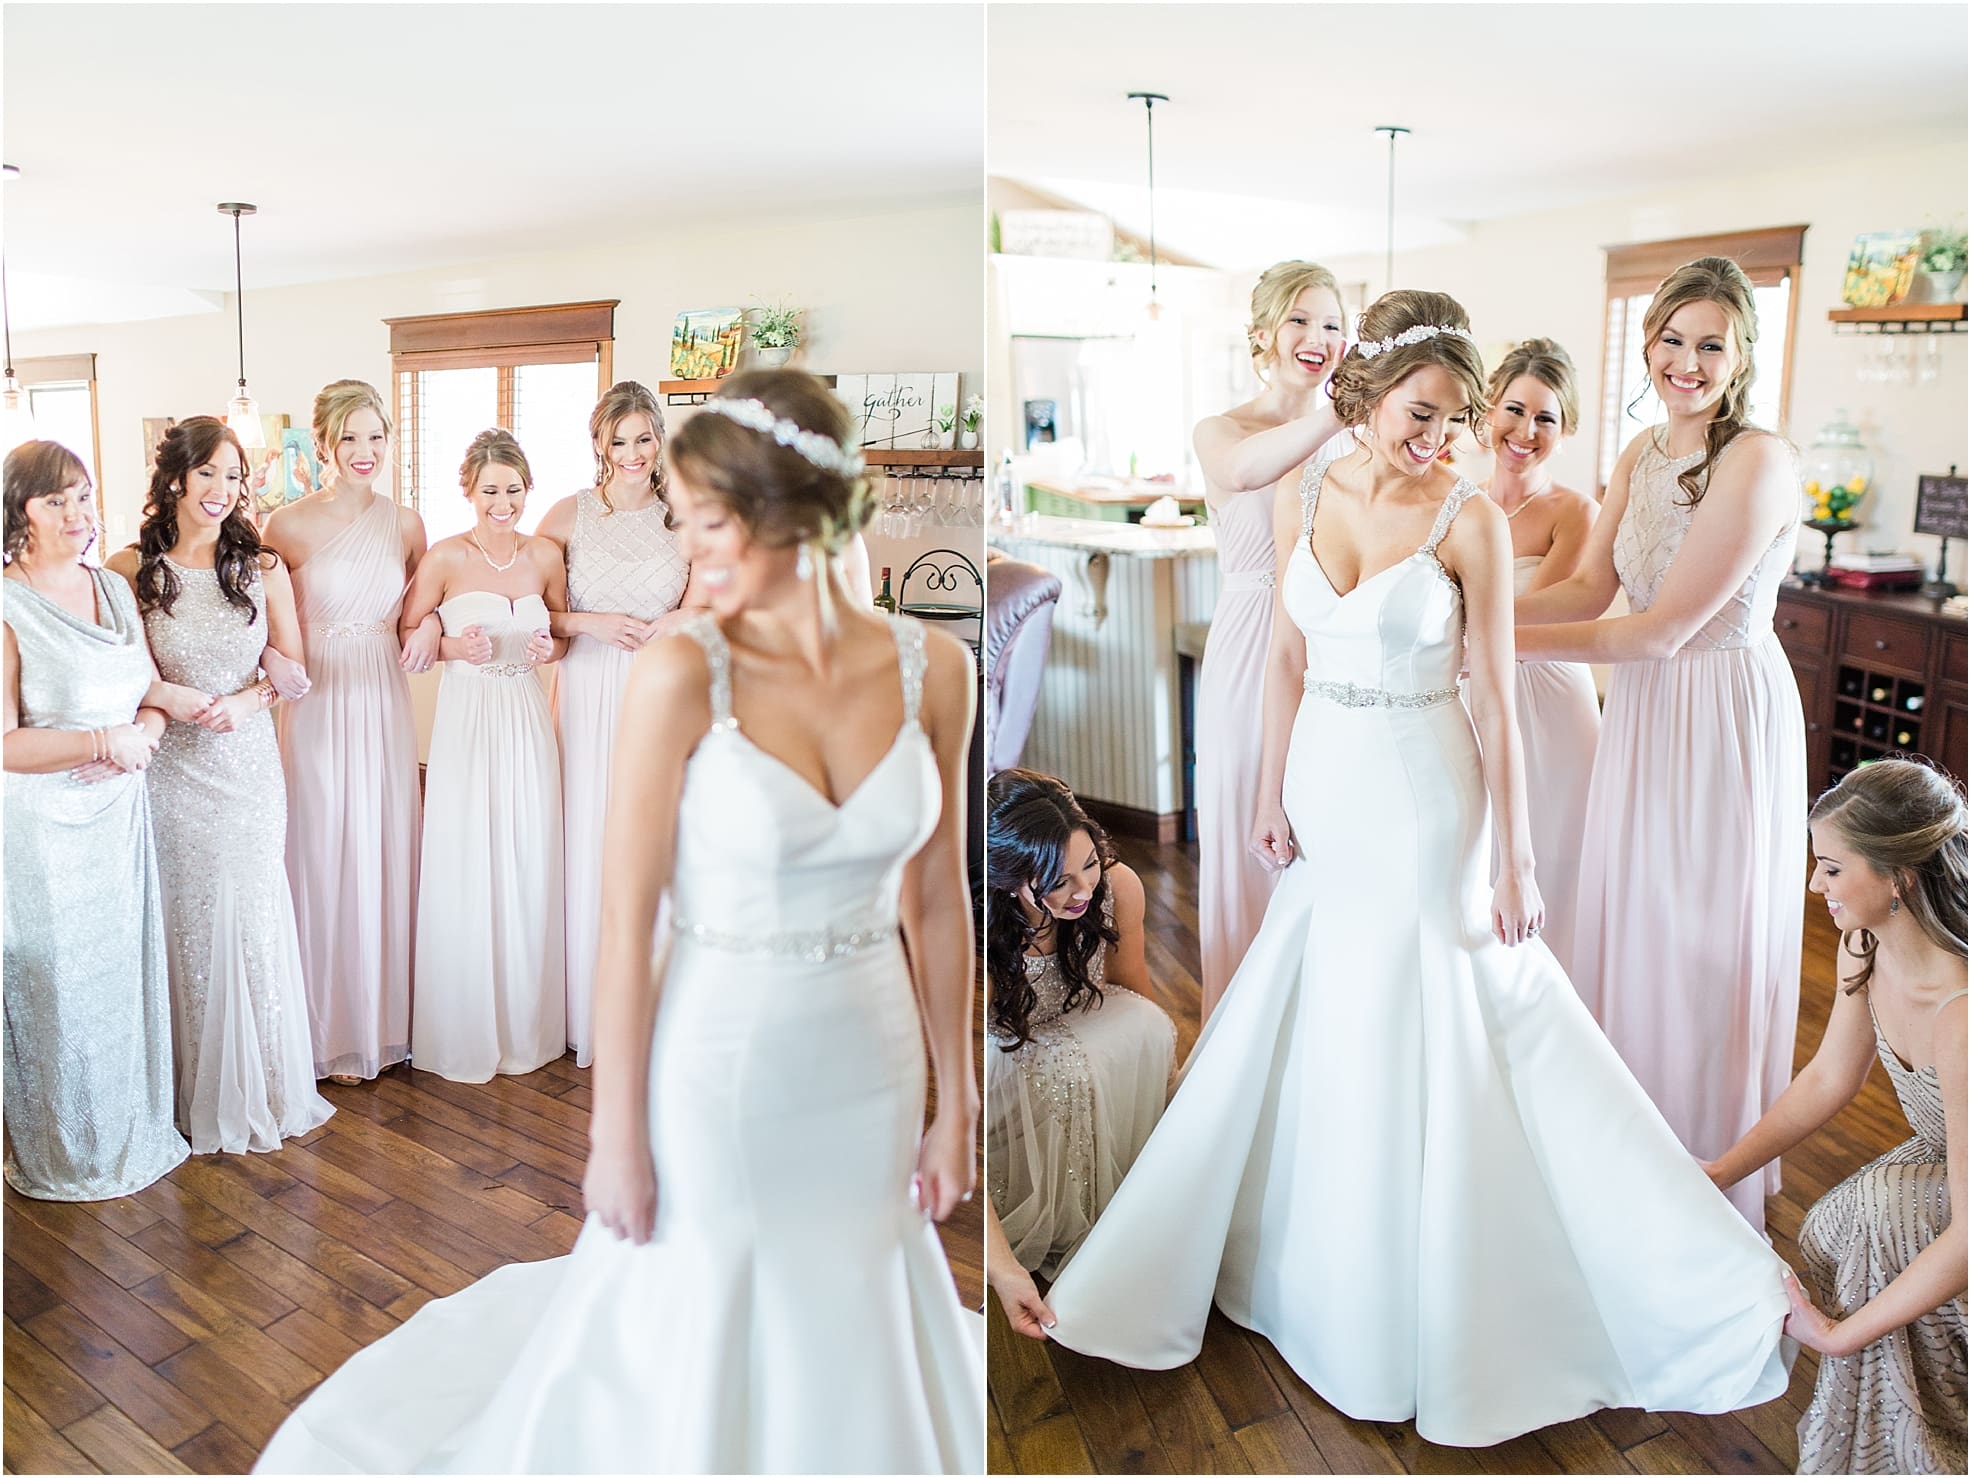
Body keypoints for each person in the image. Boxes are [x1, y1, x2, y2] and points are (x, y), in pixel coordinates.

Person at [1039, 291, 1792, 1448]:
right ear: (1369, 398)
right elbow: (1289, 650)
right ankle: (1302, 1261)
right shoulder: (1308, 487)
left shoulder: (1468, 522)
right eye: (1419, 413)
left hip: (1430, 795)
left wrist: (1517, 860)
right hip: (1328, 788)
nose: (1437, 439)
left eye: (1455, 420)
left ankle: (1448, 1291)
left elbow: (1497, 694)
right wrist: (1269, 788)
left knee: (1428, 1012)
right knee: (1321, 1005)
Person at [256, 370, 983, 1474]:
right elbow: (623, 914)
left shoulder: (940, 670)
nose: (691, 556)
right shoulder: (687, 672)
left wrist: (957, 1100)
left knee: (852, 1297)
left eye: (703, 526)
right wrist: (616, 1134)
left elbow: (937, 897)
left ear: (785, 512)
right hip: (720, 1052)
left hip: (869, 1056)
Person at [1515, 257, 1806, 1230]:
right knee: (1633, 922)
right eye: (1672, 339)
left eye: (1710, 343)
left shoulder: (1757, 460)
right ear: (1646, 347)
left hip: (1718, 714)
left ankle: (1703, 1180)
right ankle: (1626, 1159)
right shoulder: (1641, 451)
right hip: (1643, 717)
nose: (1687, 360)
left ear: (1742, 355)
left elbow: (1662, 629)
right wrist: (1470, 598)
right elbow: (1591, 593)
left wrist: (1487, 637)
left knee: (1697, 940)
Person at [1704, 760, 1966, 1475]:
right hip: (1952, 1161)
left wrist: (1841, 1335)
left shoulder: (1961, 1016)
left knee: (1883, 1221)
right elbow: (1827, 1078)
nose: (1814, 886)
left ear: (1897, 878)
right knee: (1835, 1227)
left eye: (1829, 868)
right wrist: (1721, 1170)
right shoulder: (1866, 942)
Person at [105, 417, 332, 1153]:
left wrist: (243, 701)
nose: (223, 490)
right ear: (175, 477)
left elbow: (290, 670)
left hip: (247, 768)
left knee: (250, 915)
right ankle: (182, 1090)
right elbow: (126, 676)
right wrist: (168, 700)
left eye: (234, 477)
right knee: (185, 923)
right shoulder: (127, 569)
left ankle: (260, 1085)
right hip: (170, 771)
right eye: (210, 473)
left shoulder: (262, 568)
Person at [2, 439, 190, 1198]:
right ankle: (66, 1153)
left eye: (83, 496)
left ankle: (133, 1128)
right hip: (44, 829)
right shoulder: (7, 604)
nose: (78, 514)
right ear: (21, 513)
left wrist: (142, 734)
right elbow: (5, 742)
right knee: (59, 987)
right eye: (57, 501)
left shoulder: (112, 587)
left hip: (120, 814)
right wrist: (97, 741)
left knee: (120, 977)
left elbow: (147, 689)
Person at [263, 380, 435, 1085]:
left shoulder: (407, 524)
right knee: (321, 840)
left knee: (385, 839)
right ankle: (318, 1026)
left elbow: (424, 605)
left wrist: (427, 624)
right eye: (351, 439)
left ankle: (386, 1022)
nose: (365, 452)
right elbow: (257, 620)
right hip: (316, 694)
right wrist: (275, 658)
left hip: (381, 695)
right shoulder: (285, 524)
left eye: (376, 437)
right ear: (325, 444)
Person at [1190, 260, 1347, 1019]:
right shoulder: (1222, 433)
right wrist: (1341, 412)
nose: (1316, 338)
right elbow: (1247, 471)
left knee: (1322, 847)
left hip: (1332, 655)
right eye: (1299, 320)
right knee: (1248, 846)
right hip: (1250, 647)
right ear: (1261, 334)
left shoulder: (1354, 445)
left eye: (1332, 325)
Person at [536, 382, 695, 1068]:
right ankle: (581, 1005)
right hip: (588, 685)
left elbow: (710, 600)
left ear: (659, 440)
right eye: (619, 439)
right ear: (598, 442)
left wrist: (671, 623)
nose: (632, 453)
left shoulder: (683, 516)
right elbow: (531, 610)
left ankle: (654, 1007)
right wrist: (588, 622)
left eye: (644, 438)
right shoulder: (565, 516)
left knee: (654, 836)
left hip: (659, 690)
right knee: (586, 833)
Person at [401, 429, 567, 1084]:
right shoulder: (443, 558)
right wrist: (448, 645)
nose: (503, 503)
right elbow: (409, 633)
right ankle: (465, 1021)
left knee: (527, 851)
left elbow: (560, 632)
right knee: (468, 851)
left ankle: (526, 1020)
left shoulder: (545, 556)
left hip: (525, 714)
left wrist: (548, 650)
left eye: (514, 489)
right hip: (467, 716)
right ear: (468, 491)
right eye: (490, 490)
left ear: (529, 489)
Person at [985, 768, 1174, 1303]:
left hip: (1076, 1025)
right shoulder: (986, 930)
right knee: (1067, 1069)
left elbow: (1133, 985)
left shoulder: (1119, 888)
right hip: (1005, 1058)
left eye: (1089, 865)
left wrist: (1169, 1076)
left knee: (1146, 1023)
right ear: (1009, 877)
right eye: (1059, 880)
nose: (1084, 890)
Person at [1477, 338, 1599, 977]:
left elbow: (1556, 607)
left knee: (1549, 853)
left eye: (1545, 418)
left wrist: (1458, 632)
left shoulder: (1575, 513)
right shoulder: (1457, 504)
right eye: (1514, 410)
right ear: (1487, 411)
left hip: (1548, 701)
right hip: (1473, 699)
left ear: (1566, 427)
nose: (1526, 431)